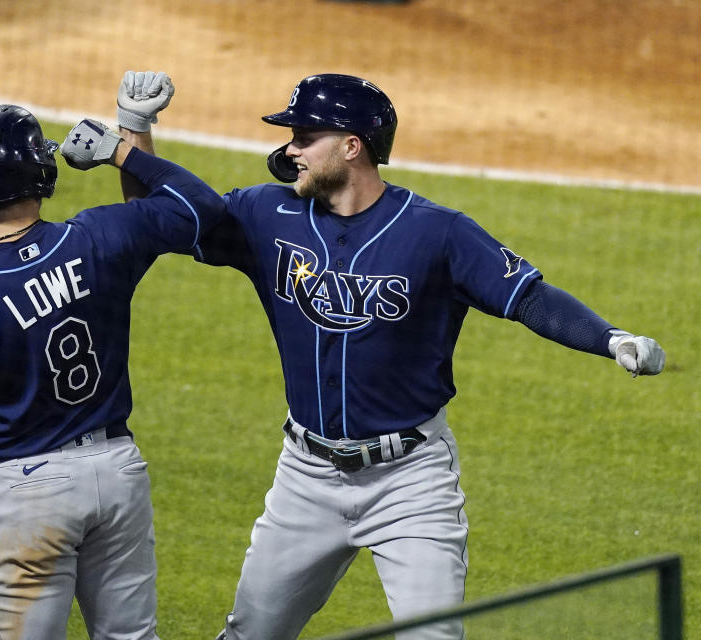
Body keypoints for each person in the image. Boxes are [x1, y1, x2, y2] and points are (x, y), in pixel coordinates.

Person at [115, 72, 666, 640]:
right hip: (306, 478)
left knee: (433, 637)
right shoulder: (266, 215)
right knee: (250, 632)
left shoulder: (438, 232)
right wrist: (135, 130)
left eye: (304, 136)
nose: (288, 150)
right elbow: (156, 221)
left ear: (352, 146)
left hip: (411, 482)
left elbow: (528, 296)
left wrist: (610, 338)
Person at [0, 91, 223, 640]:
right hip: (118, 475)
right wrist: (125, 145)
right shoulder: (100, 238)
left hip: (30, 496)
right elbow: (195, 207)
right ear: (43, 169)